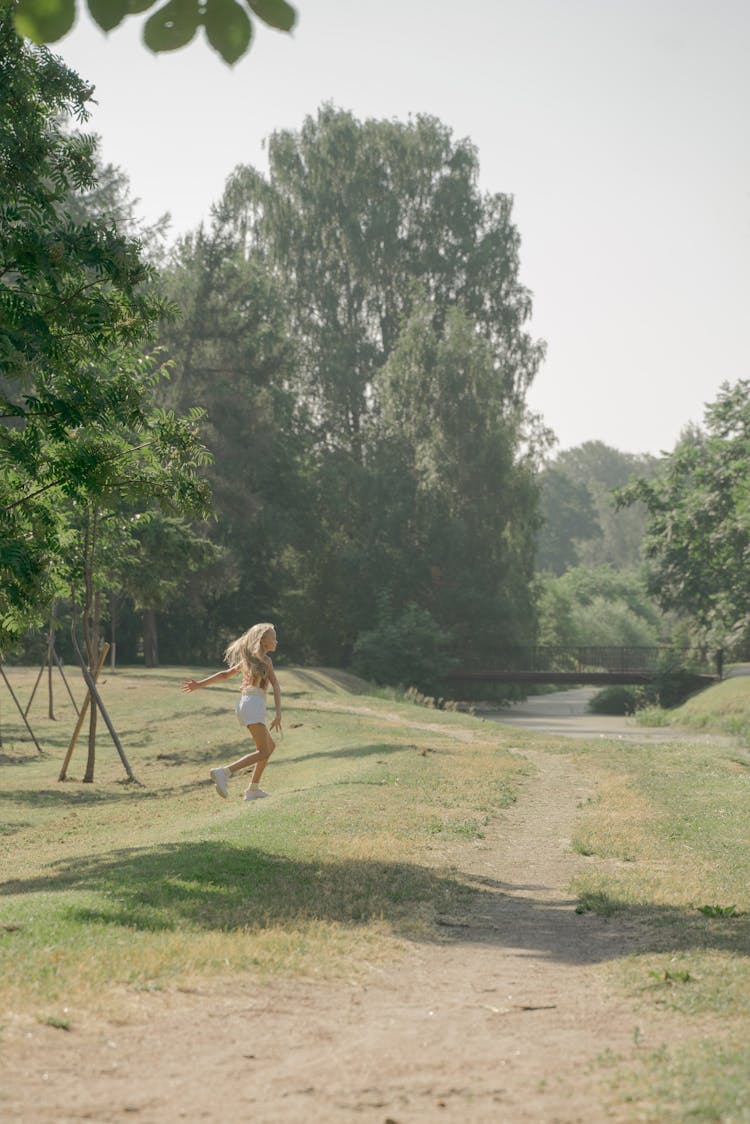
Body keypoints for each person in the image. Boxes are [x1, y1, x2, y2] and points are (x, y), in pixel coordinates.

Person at [181, 623, 282, 802]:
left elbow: (224, 674)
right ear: (263, 641)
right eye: (273, 638)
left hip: (246, 703)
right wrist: (278, 713)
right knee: (263, 751)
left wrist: (199, 685)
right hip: (253, 704)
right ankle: (224, 772)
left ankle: (253, 789)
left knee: (269, 747)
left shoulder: (250, 660)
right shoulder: (265, 661)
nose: (276, 641)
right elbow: (275, 685)